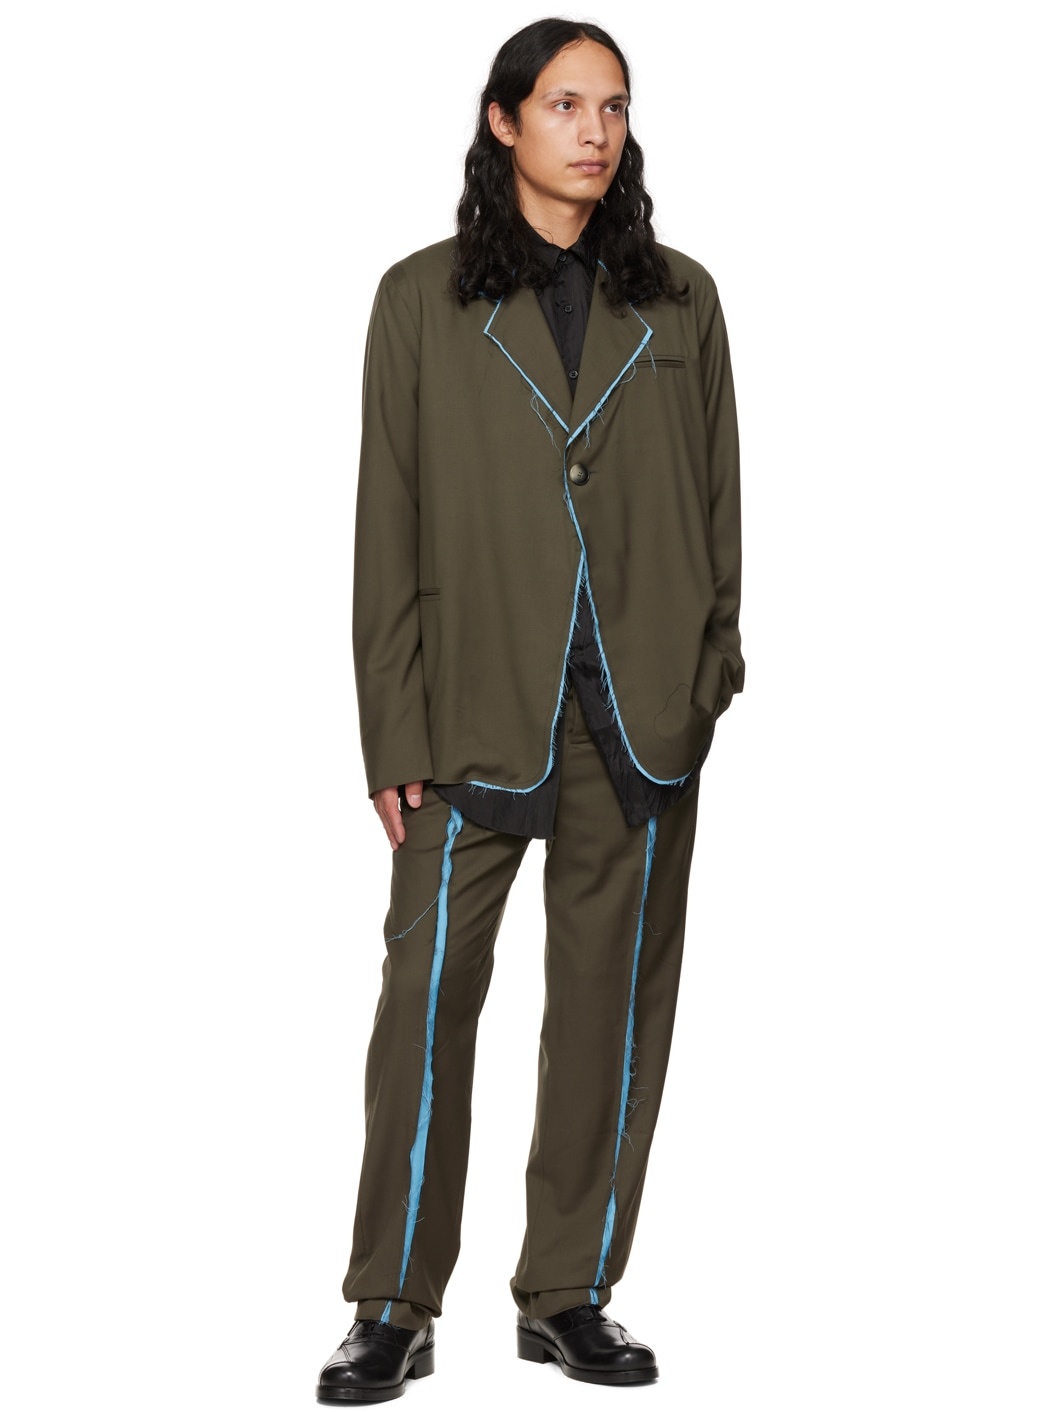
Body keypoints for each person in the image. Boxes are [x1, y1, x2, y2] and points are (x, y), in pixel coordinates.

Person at [317, 16, 744, 1401]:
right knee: (426, 999)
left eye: (613, 107)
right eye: (565, 105)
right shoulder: (418, 299)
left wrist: (707, 673)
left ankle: (569, 1290)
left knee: (612, 1013)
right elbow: (385, 522)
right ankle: (393, 1302)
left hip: (639, 715)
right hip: (468, 709)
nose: (595, 131)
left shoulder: (681, 298)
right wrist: (391, 730)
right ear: (503, 121)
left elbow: (721, 502)